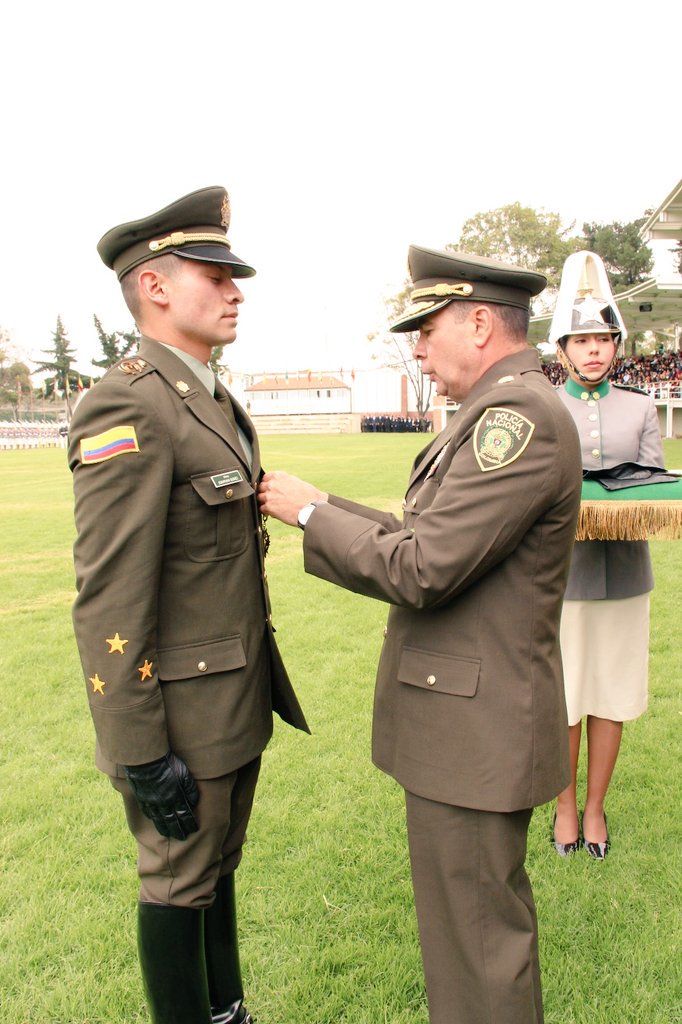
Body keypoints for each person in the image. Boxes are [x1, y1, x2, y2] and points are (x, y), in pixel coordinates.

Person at [258, 245, 583, 1024]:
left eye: (425, 330)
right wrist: (324, 501)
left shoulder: (516, 419)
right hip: (468, 727)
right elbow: (430, 534)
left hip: (477, 733)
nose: (419, 352)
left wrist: (308, 515)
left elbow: (423, 568)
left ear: (478, 323)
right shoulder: (499, 409)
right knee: (466, 940)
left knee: (480, 951)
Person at [68, 186, 309, 1024]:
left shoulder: (208, 396)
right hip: (178, 714)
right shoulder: (129, 402)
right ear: (158, 287)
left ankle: (227, 1012)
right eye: (216, 273)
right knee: (176, 881)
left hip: (229, 697)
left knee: (216, 870)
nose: (236, 289)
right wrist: (138, 751)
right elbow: (108, 592)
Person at [548, 251, 665, 860]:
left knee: (612, 694)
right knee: (566, 696)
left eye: (603, 339)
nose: (594, 350)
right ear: (563, 347)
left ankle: (595, 809)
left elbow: (649, 486)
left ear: (616, 346)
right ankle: (564, 808)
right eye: (582, 340)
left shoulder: (641, 407)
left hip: (624, 574)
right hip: (559, 577)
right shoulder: (544, 405)